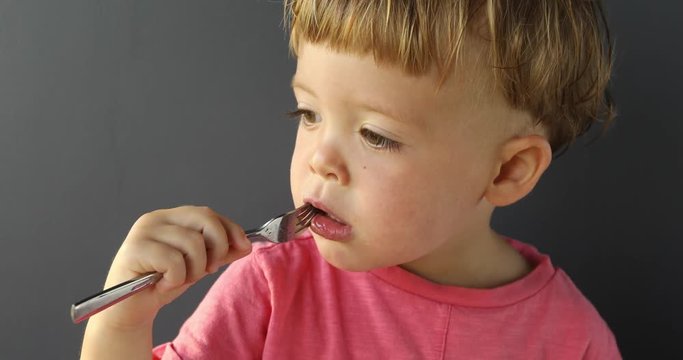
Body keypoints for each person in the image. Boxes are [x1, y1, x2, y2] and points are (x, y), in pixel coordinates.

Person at [80, 0, 621, 358]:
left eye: (375, 135)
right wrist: (122, 324)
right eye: (309, 115)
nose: (320, 160)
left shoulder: (574, 341)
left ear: (507, 170)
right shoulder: (271, 286)